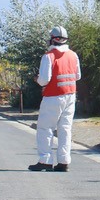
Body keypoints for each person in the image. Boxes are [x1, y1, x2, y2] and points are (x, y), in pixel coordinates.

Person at [29, 26, 81, 172]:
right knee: (65, 129)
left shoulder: (48, 56)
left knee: (45, 128)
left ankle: (45, 160)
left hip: (53, 97)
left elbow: (44, 80)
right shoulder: (73, 55)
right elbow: (78, 76)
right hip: (70, 96)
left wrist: (37, 79)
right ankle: (64, 162)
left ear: (52, 39)